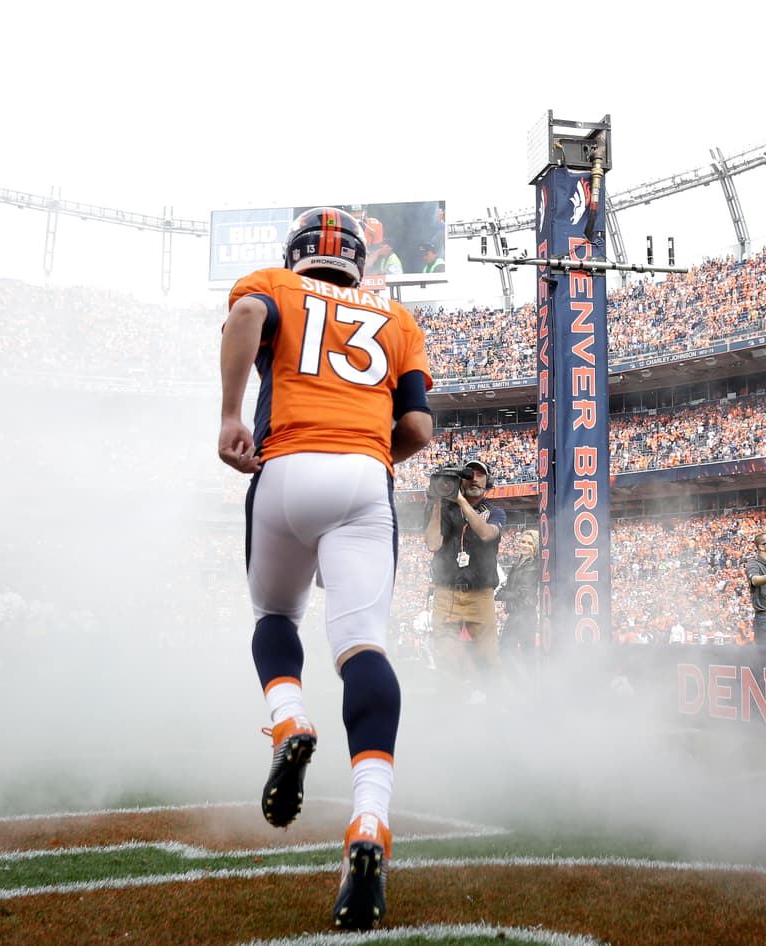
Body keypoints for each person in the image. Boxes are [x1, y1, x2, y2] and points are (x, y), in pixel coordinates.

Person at [217, 206, 433, 931]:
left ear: (299, 254)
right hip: (365, 480)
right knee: (362, 649)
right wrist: (368, 461)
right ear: (360, 265)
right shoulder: (396, 318)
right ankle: (368, 825)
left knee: (275, 617)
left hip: (286, 465)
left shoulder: (275, 283)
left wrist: (228, 416)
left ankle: (287, 721)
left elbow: (248, 311)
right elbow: (418, 429)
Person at [425, 459, 505, 697]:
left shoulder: (495, 511)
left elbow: (486, 533)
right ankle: (451, 707)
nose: (475, 479)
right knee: (446, 653)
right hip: (446, 591)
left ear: (488, 481)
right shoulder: (444, 510)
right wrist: (439, 500)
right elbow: (433, 543)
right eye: (469, 474)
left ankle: (497, 704)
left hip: (480, 593)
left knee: (487, 655)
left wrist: (460, 501)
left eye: (480, 475)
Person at [497, 528, 540, 681]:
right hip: (520, 615)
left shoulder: (532, 566)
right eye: (523, 541)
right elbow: (512, 587)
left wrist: (502, 595)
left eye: (529, 543)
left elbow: (524, 594)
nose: (525, 545)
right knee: (527, 655)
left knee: (506, 650)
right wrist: (503, 591)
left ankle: (521, 688)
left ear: (535, 546)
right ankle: (530, 689)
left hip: (523, 615)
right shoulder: (519, 563)